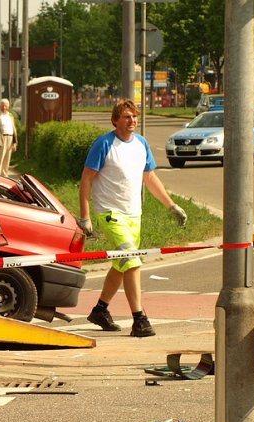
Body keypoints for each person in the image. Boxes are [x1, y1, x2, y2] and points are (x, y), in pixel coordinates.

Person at [78, 98, 187, 338]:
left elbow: (150, 178)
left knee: (121, 265)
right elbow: (86, 179)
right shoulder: (104, 144)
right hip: (110, 213)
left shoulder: (142, 144)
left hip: (134, 214)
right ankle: (140, 319)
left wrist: (171, 206)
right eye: (127, 117)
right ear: (115, 120)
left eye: (135, 116)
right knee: (133, 262)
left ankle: (100, 310)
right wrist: (85, 216)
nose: (132, 121)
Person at [0, 98, 18, 177]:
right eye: (2, 106)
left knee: (7, 160)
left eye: (5, 106)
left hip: (10, 138)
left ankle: (5, 176)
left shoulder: (11, 116)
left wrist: (15, 142)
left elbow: (14, 129)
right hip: (1, 139)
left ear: (8, 106)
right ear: (0, 106)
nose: (4, 107)